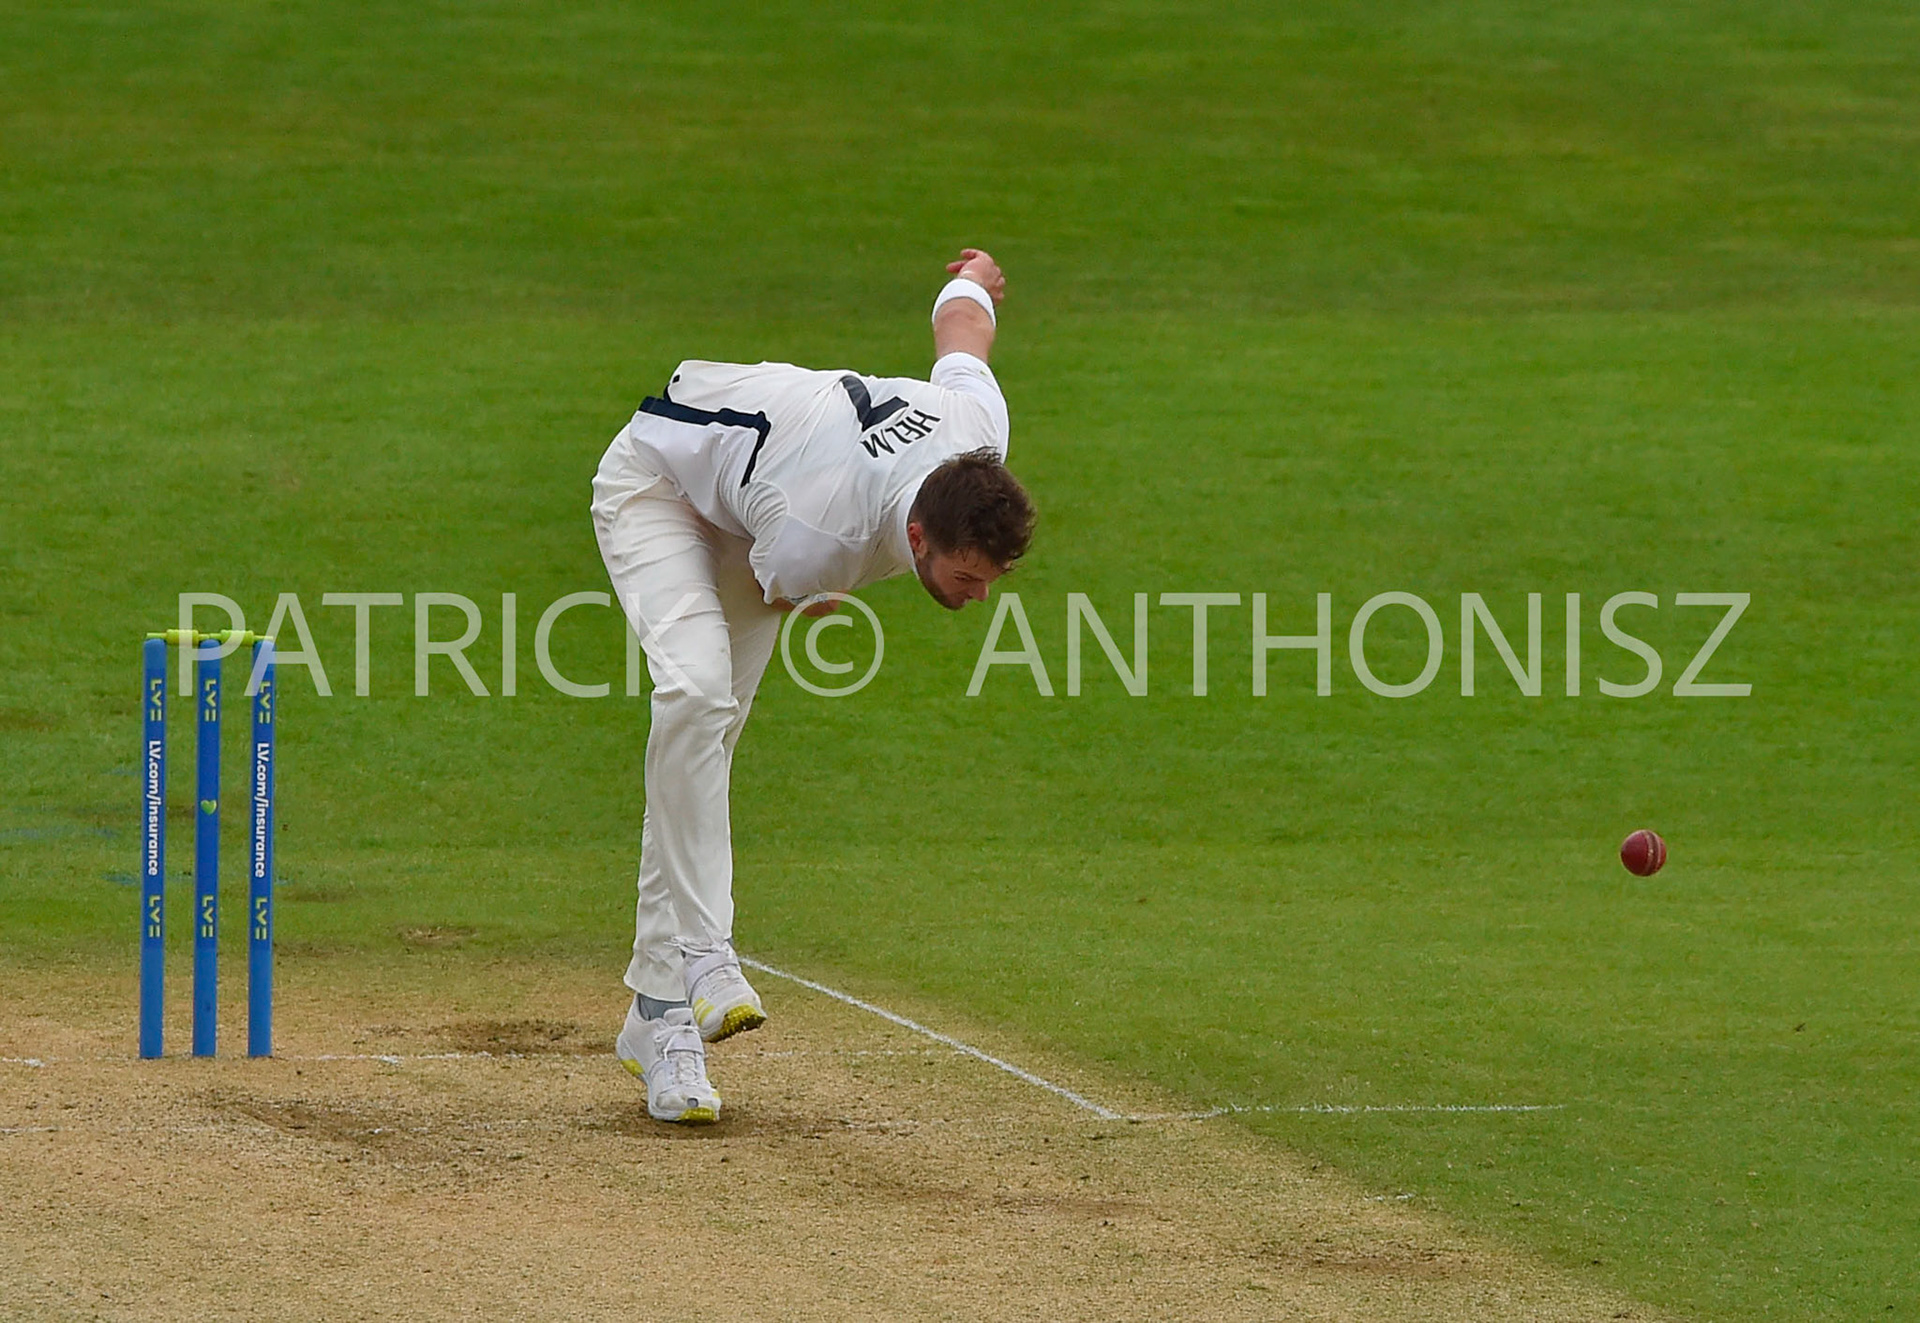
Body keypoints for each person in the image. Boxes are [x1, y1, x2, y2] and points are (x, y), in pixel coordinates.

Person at [590, 249, 1036, 1123]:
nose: (978, 597)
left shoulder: (975, 432)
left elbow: (963, 332)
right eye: (965, 576)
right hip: (660, 486)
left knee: (703, 744)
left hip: (761, 499)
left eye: (991, 579)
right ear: (917, 535)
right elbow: (780, 583)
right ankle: (705, 954)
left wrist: (972, 278)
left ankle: (658, 1016)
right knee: (695, 697)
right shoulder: (821, 531)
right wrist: (811, 592)